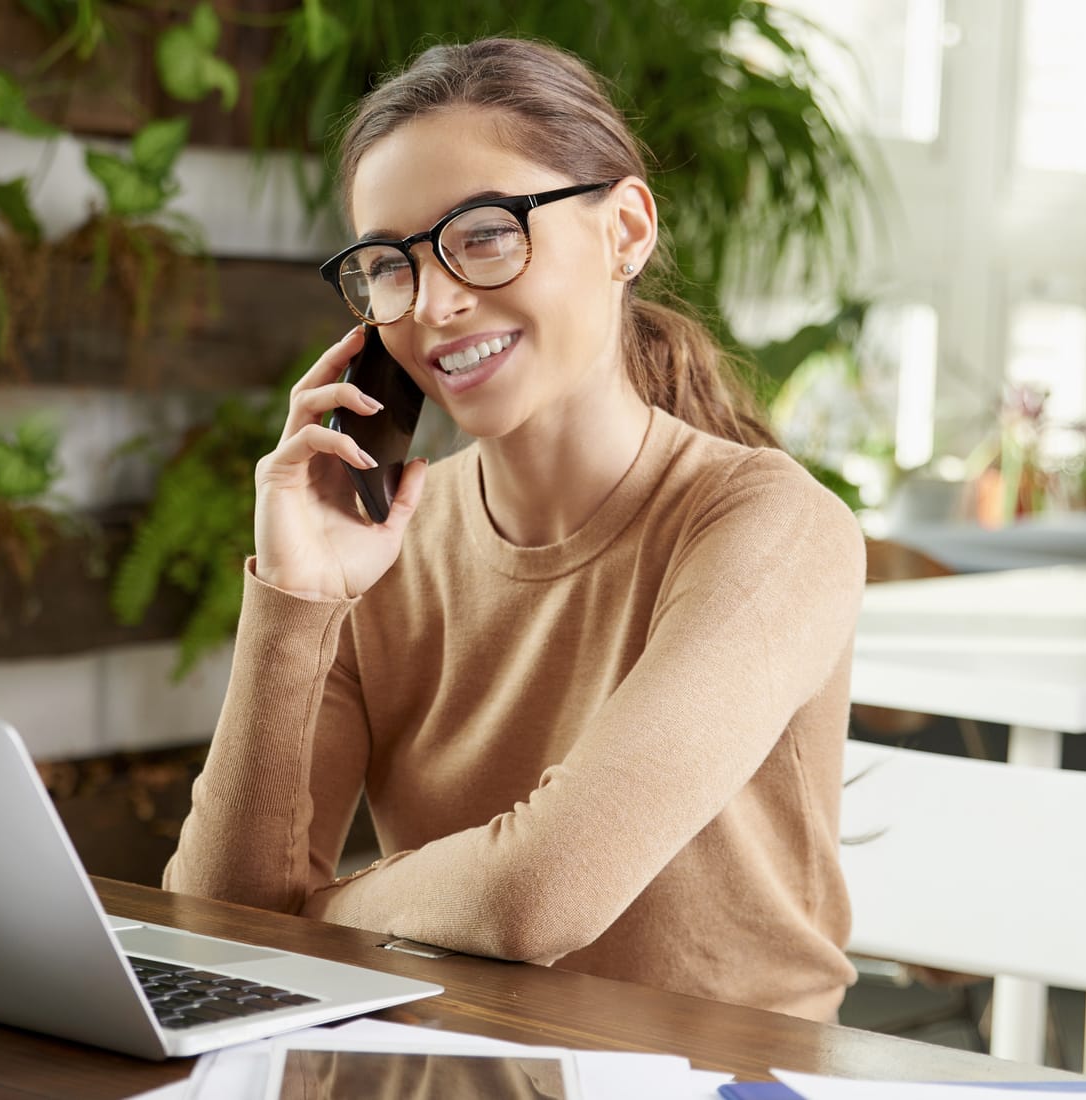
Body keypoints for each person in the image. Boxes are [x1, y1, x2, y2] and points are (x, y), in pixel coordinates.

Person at [162, 36, 865, 1021]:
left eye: (484, 234)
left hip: (716, 1075)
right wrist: (297, 600)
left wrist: (307, 919)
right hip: (451, 1066)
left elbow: (534, 897)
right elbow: (212, 928)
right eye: (390, 265)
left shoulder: (769, 525)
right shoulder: (381, 544)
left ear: (624, 230)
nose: (435, 303)